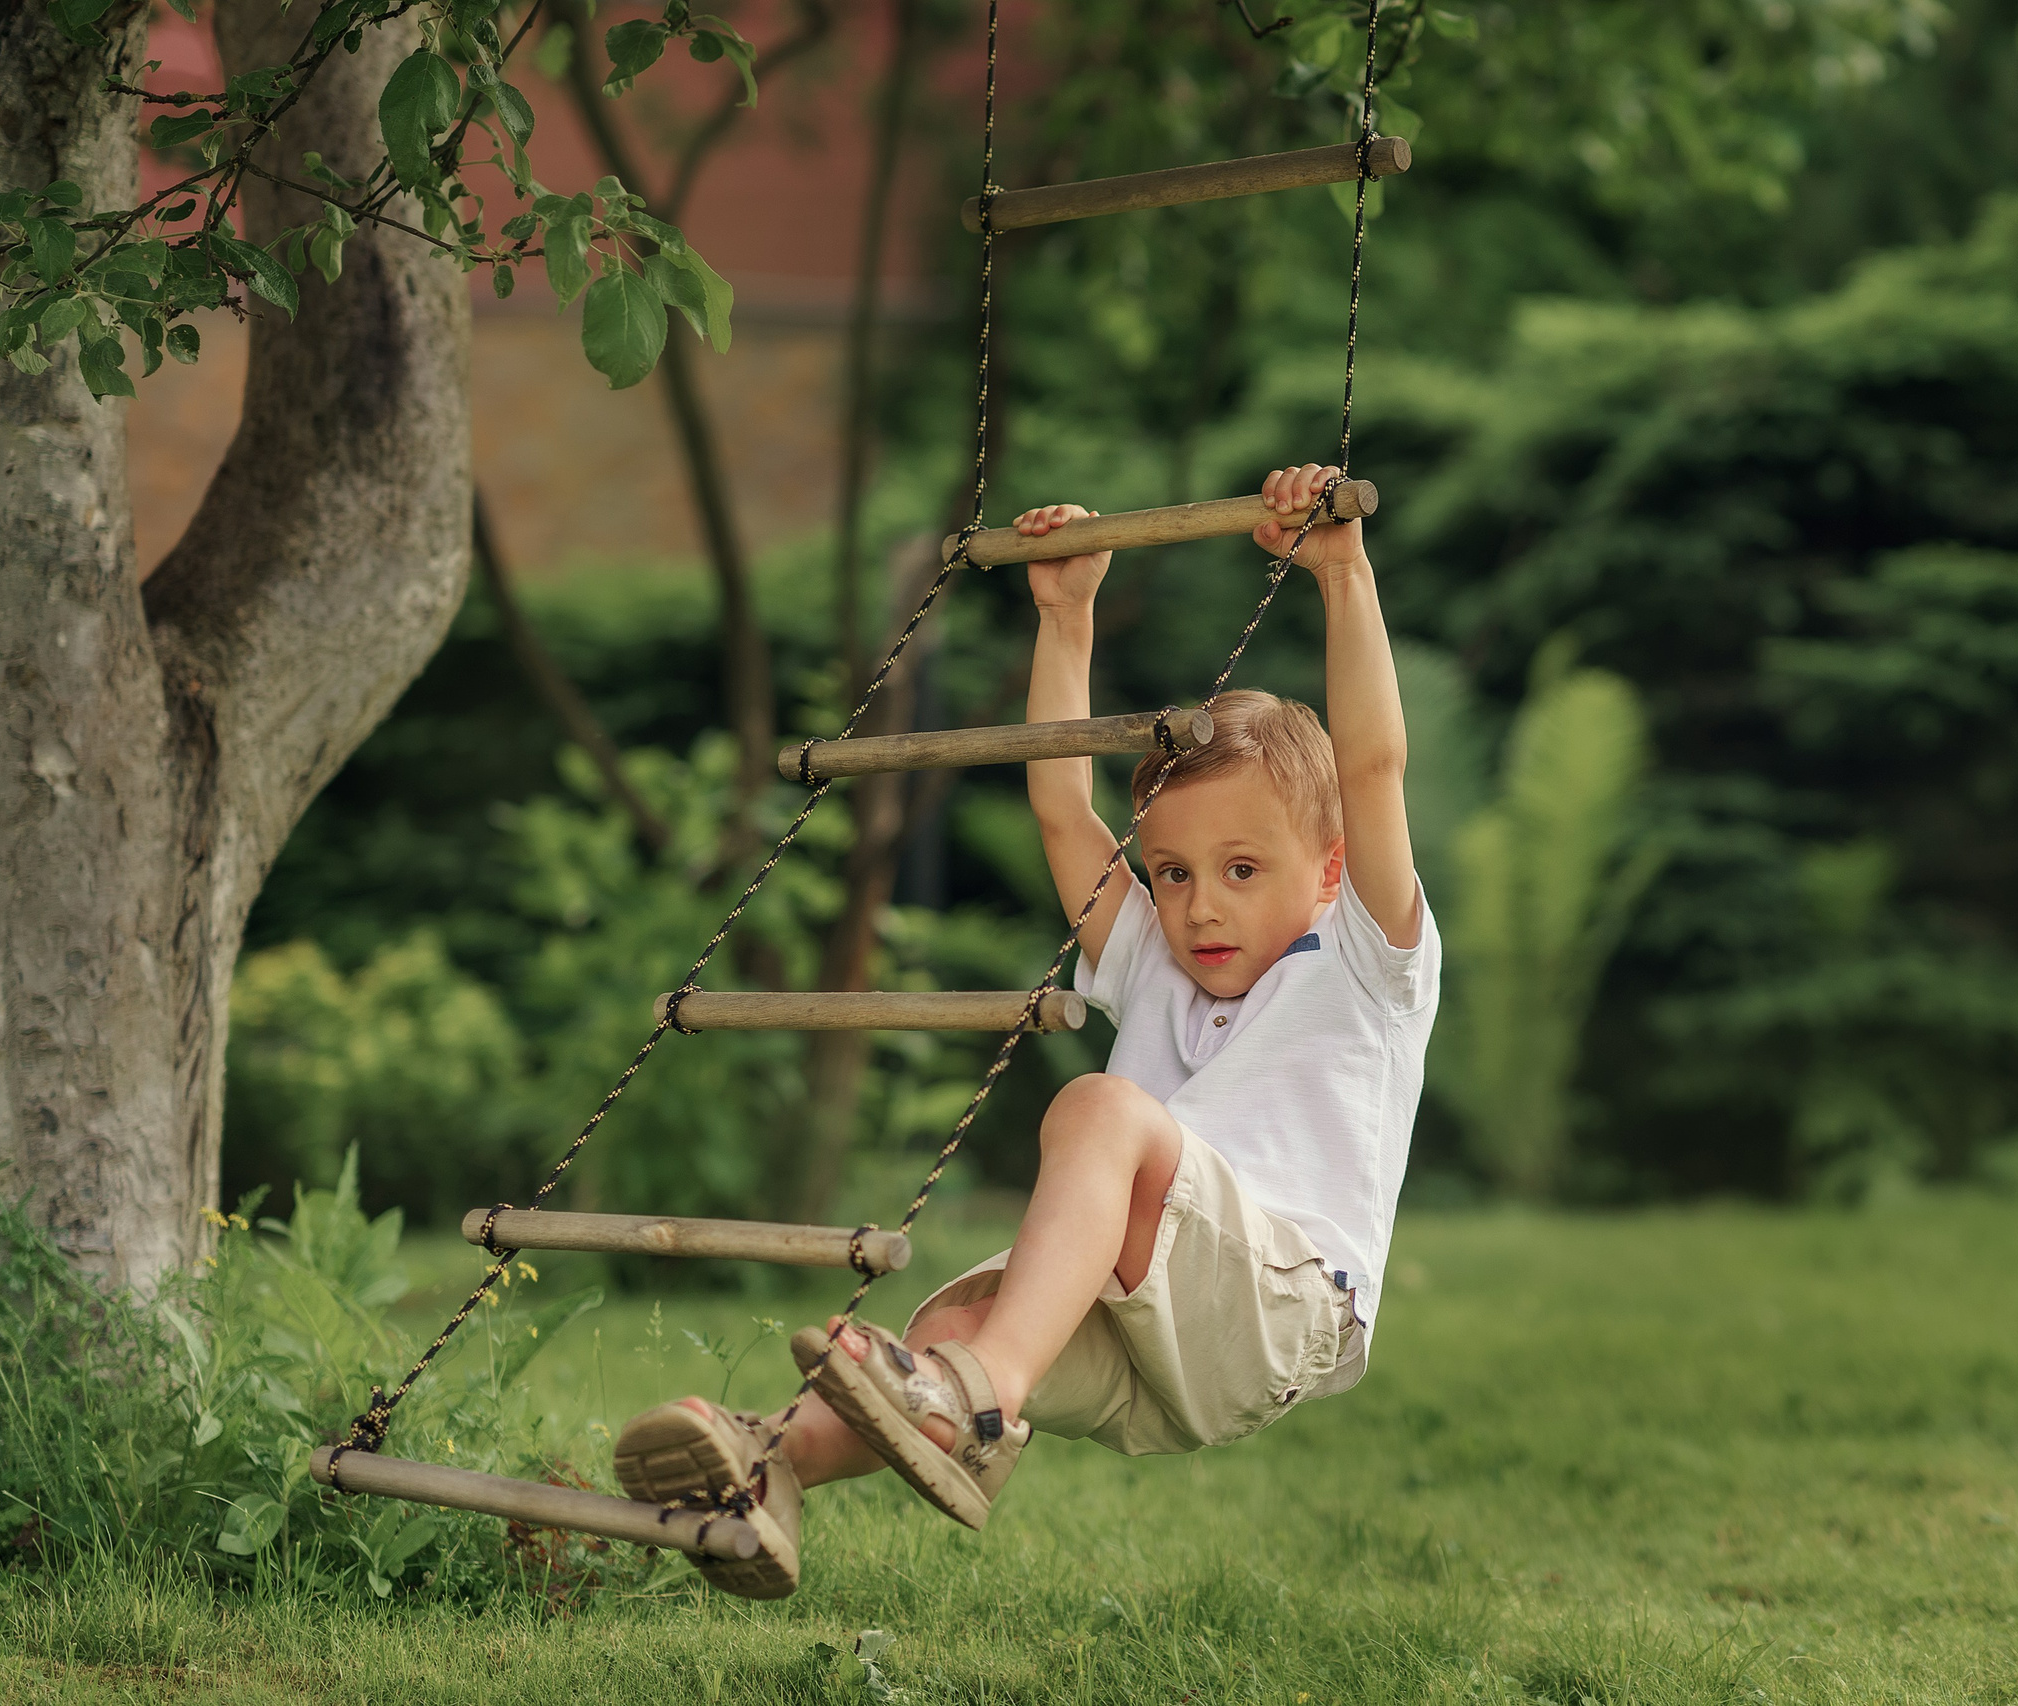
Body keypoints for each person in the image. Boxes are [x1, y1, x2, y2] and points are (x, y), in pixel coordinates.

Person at [613, 462, 1441, 1600]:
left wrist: (1341, 576)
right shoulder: (1153, 957)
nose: (1199, 902)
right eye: (1174, 870)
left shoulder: (1363, 957)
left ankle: (984, 1392)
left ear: (1329, 867)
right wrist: (1065, 613)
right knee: (953, 1313)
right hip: (1158, 1327)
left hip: (1280, 1304)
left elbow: (1373, 765)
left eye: (1243, 870)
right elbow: (1062, 803)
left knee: (1098, 1113)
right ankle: (769, 1470)